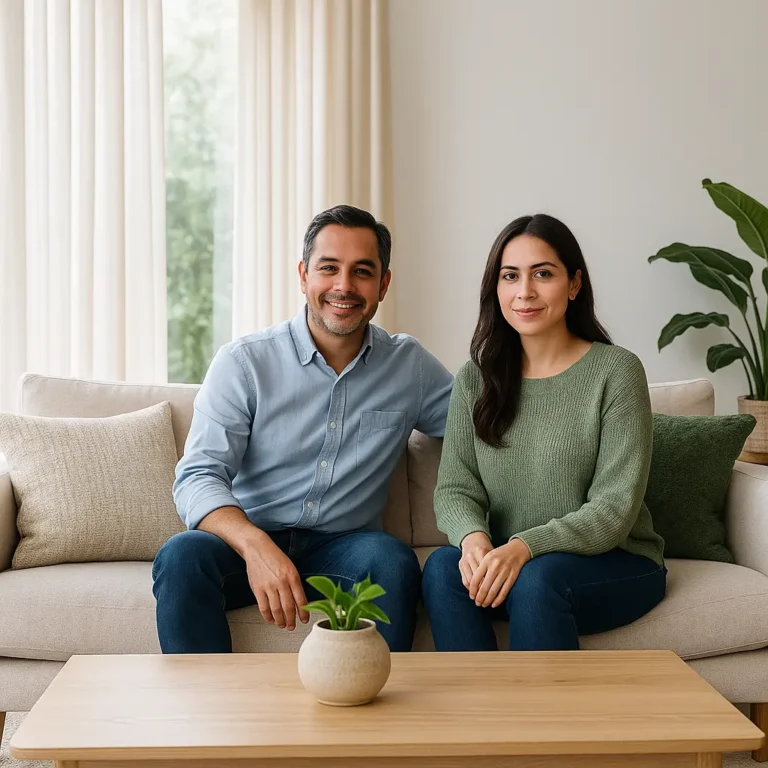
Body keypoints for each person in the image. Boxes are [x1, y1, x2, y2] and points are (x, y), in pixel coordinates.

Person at [153, 204, 453, 653]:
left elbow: (483, 423)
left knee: (392, 561)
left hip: (345, 548)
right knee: (181, 556)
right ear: (303, 275)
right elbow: (198, 475)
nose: (344, 286)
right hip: (247, 542)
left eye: (362, 271)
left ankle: (377, 715)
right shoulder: (244, 363)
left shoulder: (409, 367)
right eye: (328, 268)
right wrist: (255, 546)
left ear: (383, 284)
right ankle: (203, 716)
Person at [421, 213, 665, 652]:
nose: (524, 292)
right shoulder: (475, 379)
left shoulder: (616, 371)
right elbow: (455, 489)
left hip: (612, 563)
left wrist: (524, 547)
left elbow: (613, 508)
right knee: (442, 567)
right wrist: (474, 541)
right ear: (495, 289)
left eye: (543, 274)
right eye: (510, 276)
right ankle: (475, 717)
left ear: (573, 285)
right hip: (509, 566)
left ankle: (544, 721)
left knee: (537, 580)